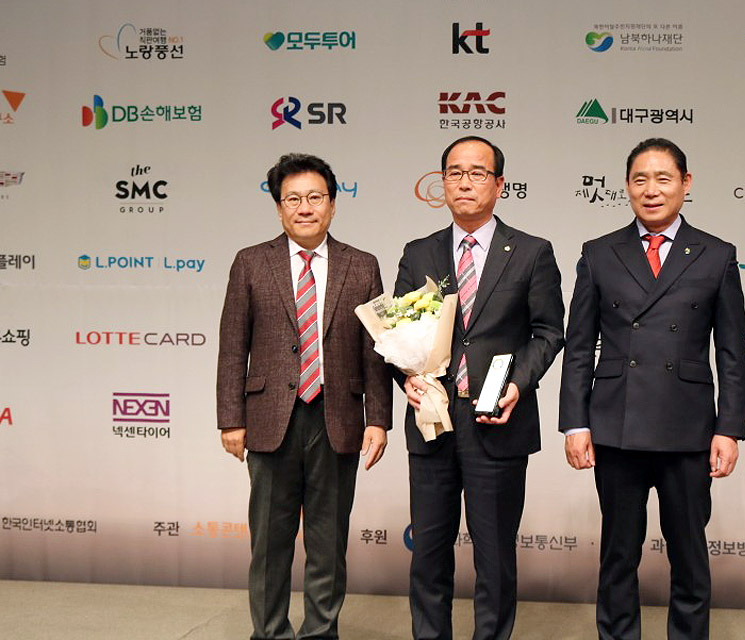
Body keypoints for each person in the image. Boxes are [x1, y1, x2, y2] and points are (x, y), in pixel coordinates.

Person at [559, 138, 745, 640]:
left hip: (688, 430)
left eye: (663, 179)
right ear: (626, 186)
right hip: (616, 426)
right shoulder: (599, 253)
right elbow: (579, 347)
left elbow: (732, 353)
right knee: (618, 555)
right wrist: (575, 423)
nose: (651, 190)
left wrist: (729, 428)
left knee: (689, 554)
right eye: (640, 179)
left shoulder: (716, 255)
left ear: (686, 184)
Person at [395, 136, 565, 640]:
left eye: (477, 173)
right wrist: (407, 377)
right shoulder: (419, 252)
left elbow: (548, 332)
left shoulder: (532, 252)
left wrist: (517, 384)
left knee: (494, 557)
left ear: (499, 184)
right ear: (442, 183)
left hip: (498, 421)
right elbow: (399, 334)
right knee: (428, 555)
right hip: (433, 422)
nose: (464, 183)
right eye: (454, 173)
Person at [216, 153, 392, 640]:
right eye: (293, 199)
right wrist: (230, 418)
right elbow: (232, 346)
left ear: (333, 204)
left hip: (338, 419)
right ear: (278, 208)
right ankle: (269, 633)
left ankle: (320, 632)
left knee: (328, 543)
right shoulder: (251, 262)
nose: (305, 207)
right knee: (269, 543)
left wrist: (377, 418)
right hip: (270, 420)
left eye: (315, 197)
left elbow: (376, 351)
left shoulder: (362, 265)